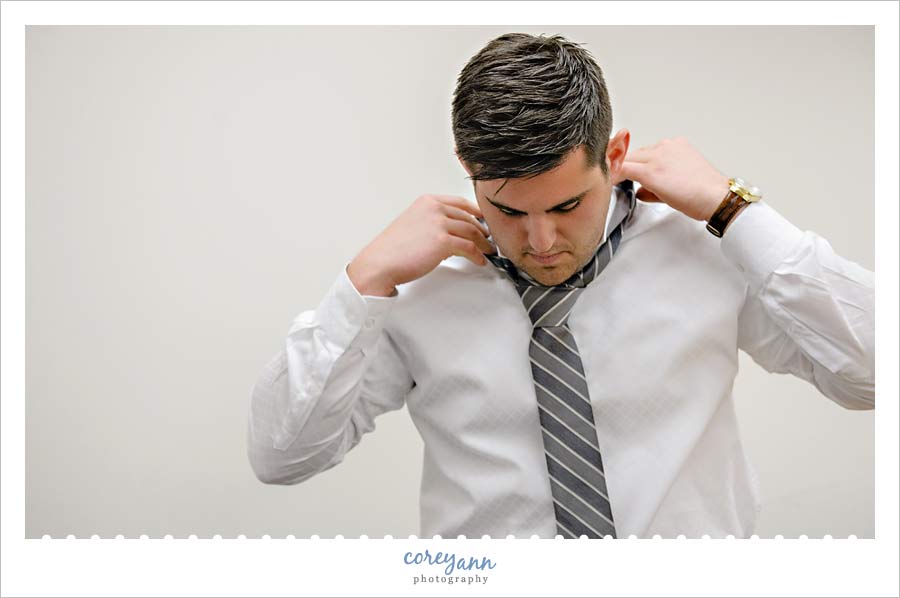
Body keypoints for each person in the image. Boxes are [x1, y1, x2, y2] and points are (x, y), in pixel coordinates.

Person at [246, 33, 875, 539]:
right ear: (468, 173)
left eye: (568, 204)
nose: (541, 241)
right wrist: (362, 281)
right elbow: (283, 458)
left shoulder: (703, 248)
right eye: (510, 211)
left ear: (616, 154)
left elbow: (873, 374)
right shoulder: (422, 286)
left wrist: (736, 211)